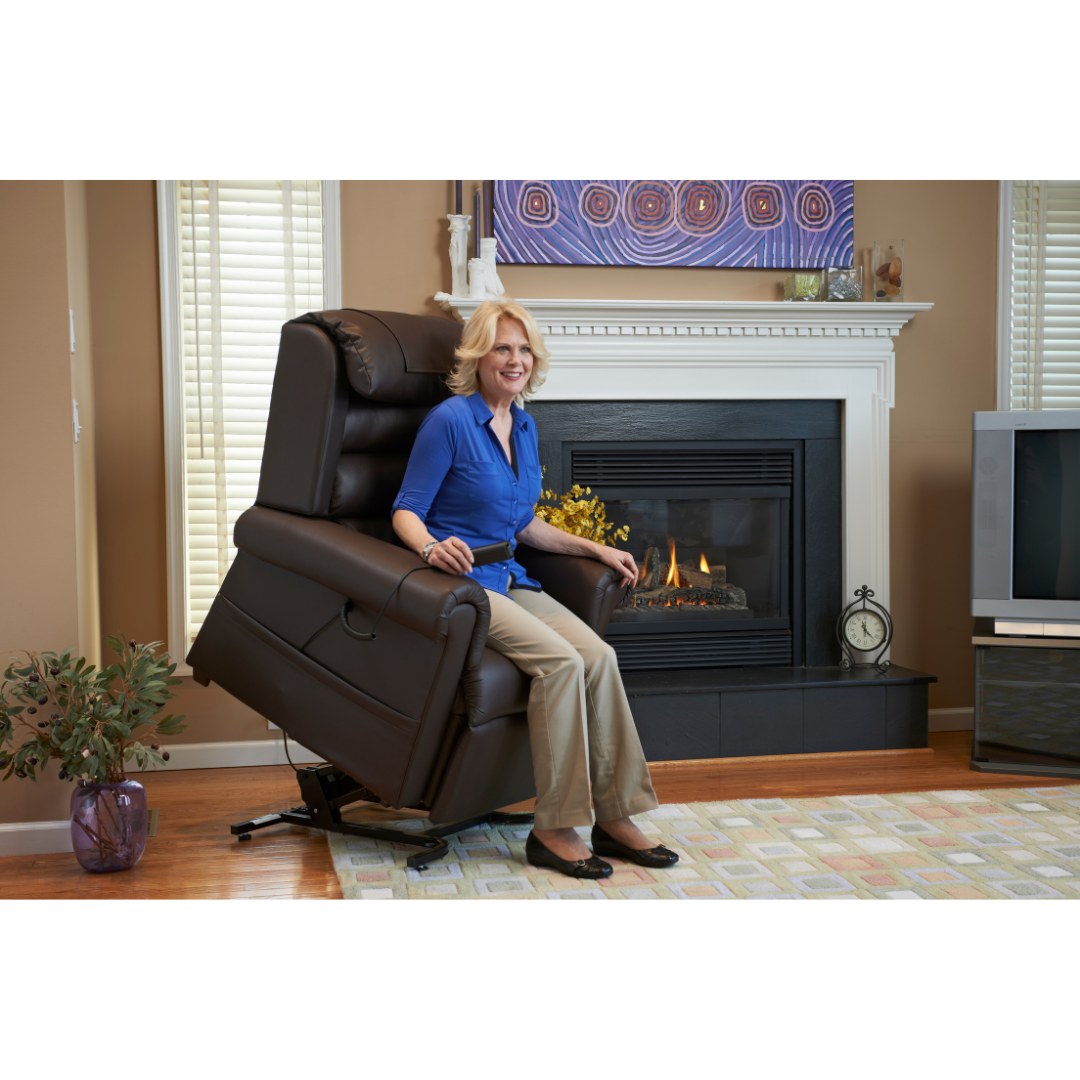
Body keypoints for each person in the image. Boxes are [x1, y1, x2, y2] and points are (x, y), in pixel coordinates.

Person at [392, 297, 677, 879]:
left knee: (598, 656)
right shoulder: (449, 421)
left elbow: (524, 522)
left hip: (511, 577)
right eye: (502, 347)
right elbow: (406, 509)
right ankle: (554, 828)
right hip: (465, 585)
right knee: (561, 663)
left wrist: (596, 549)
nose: (515, 359)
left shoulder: (523, 424)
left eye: (523, 349)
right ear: (478, 355)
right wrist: (429, 548)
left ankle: (616, 815)